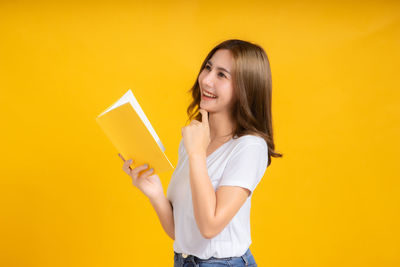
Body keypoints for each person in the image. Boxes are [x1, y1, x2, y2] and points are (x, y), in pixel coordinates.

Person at [119, 39, 283, 266]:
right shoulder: (193, 140)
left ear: (246, 87)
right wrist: (155, 192)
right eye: (208, 67)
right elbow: (184, 234)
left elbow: (209, 227)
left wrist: (197, 154)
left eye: (222, 75)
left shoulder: (249, 147)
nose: (206, 80)